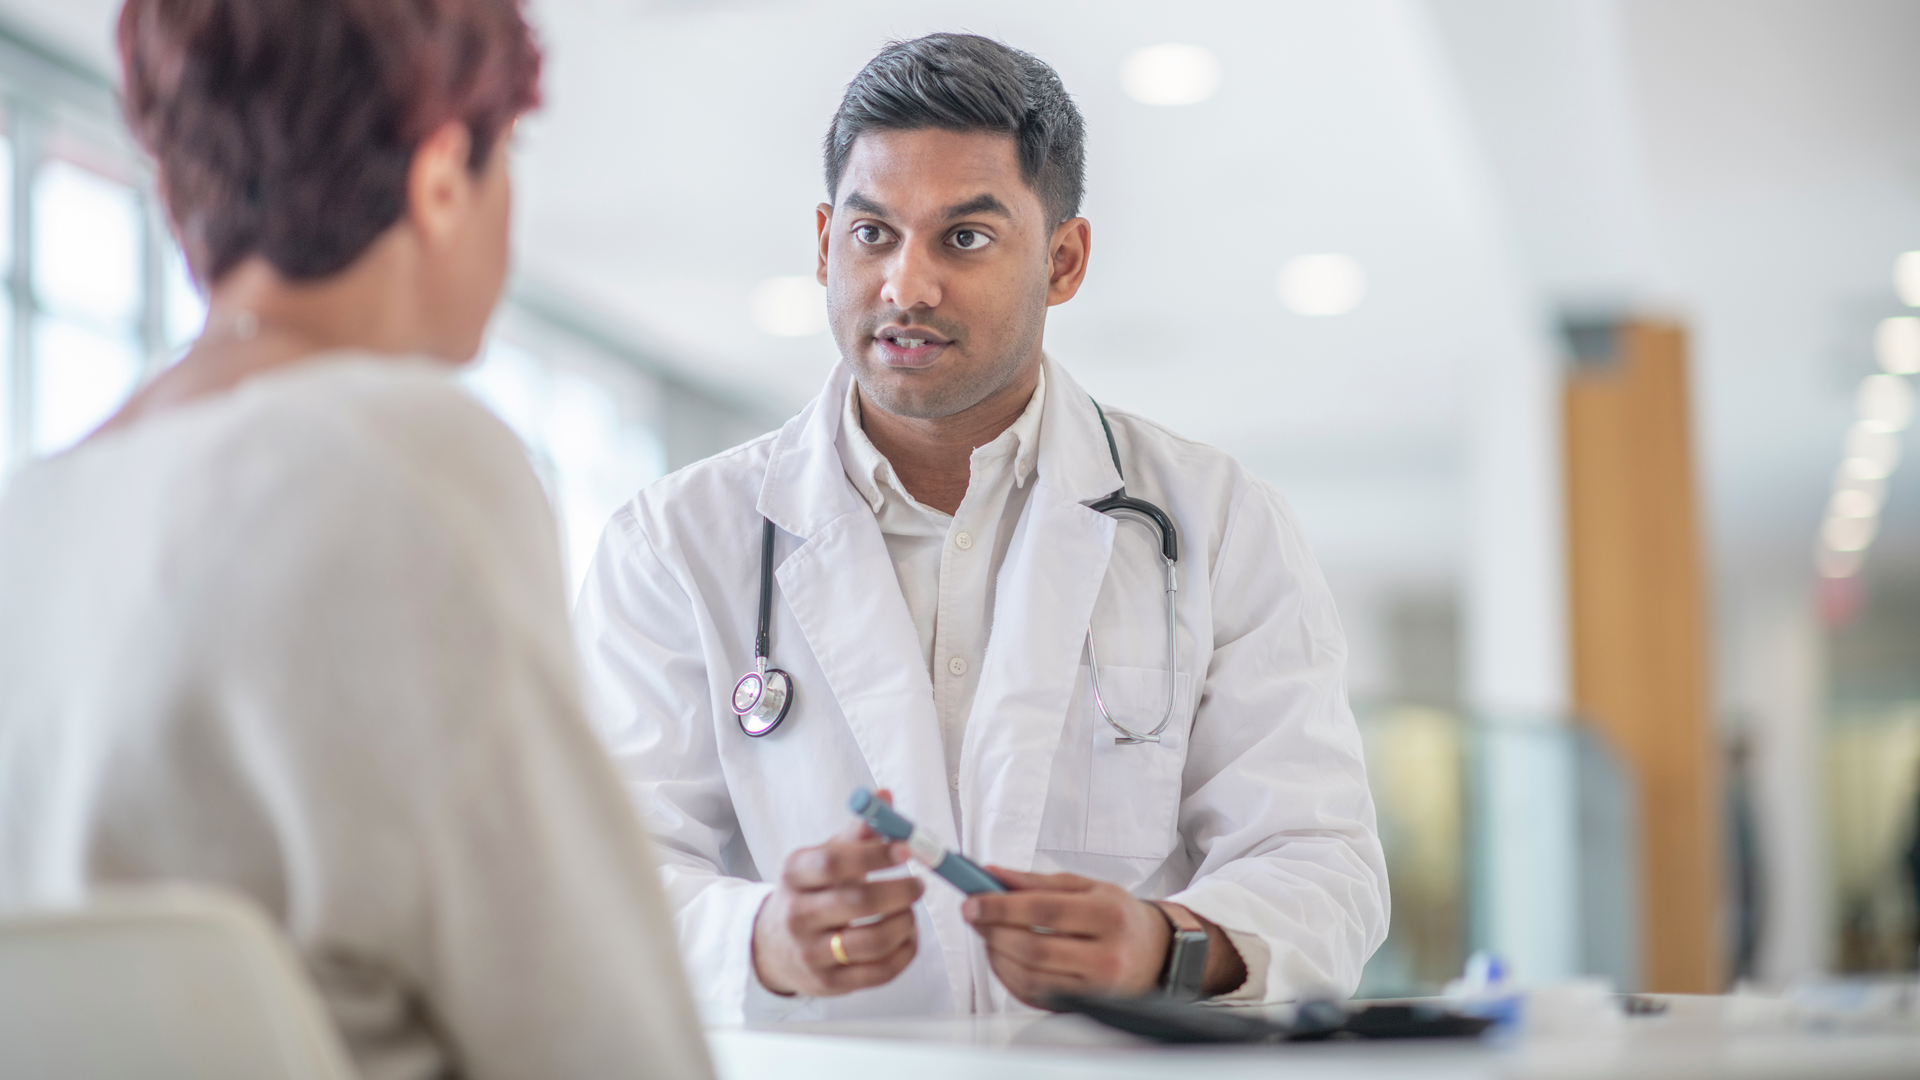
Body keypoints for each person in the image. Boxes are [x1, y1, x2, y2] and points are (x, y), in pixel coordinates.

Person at [575, 33, 1388, 1022]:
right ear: (826, 241)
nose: (906, 286)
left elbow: (1322, 860)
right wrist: (761, 944)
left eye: (964, 238)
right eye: (874, 234)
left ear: (1063, 260)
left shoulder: (1215, 523)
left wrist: (1166, 946)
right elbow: (599, 886)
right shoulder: (676, 544)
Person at [0, 2, 710, 1077]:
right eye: (504, 158)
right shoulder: (405, 457)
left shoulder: (33, 515)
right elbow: (607, 1037)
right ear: (438, 182)